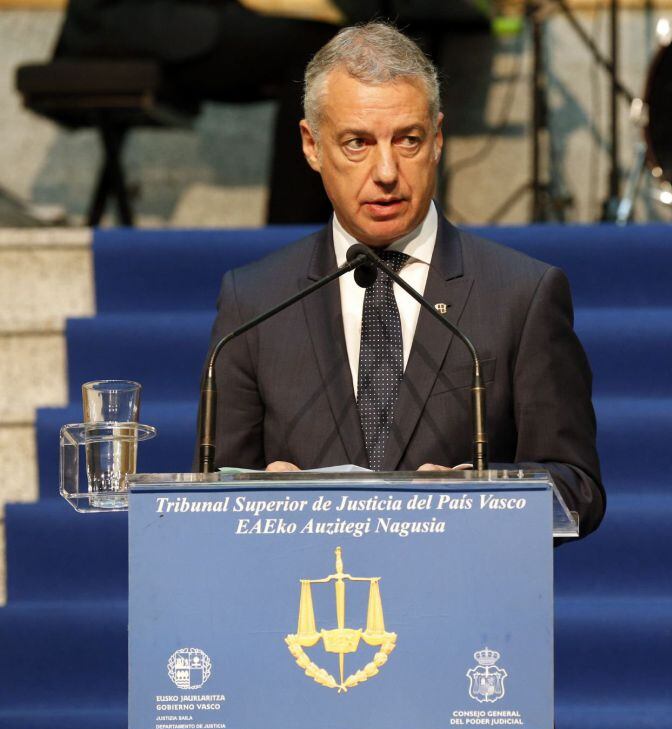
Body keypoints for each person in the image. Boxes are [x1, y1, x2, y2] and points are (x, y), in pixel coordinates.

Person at [202, 22, 605, 538]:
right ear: (311, 145)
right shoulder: (254, 302)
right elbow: (209, 495)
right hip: (305, 606)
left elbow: (577, 487)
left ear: (437, 140)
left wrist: (486, 496)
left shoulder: (522, 295)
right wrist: (251, 495)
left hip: (461, 602)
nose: (387, 170)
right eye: (357, 143)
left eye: (408, 140)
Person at [54, 0, 356, 223]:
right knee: (311, 47)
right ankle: (293, 241)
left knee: (323, 43)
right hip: (127, 18)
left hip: (192, 13)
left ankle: (300, 235)